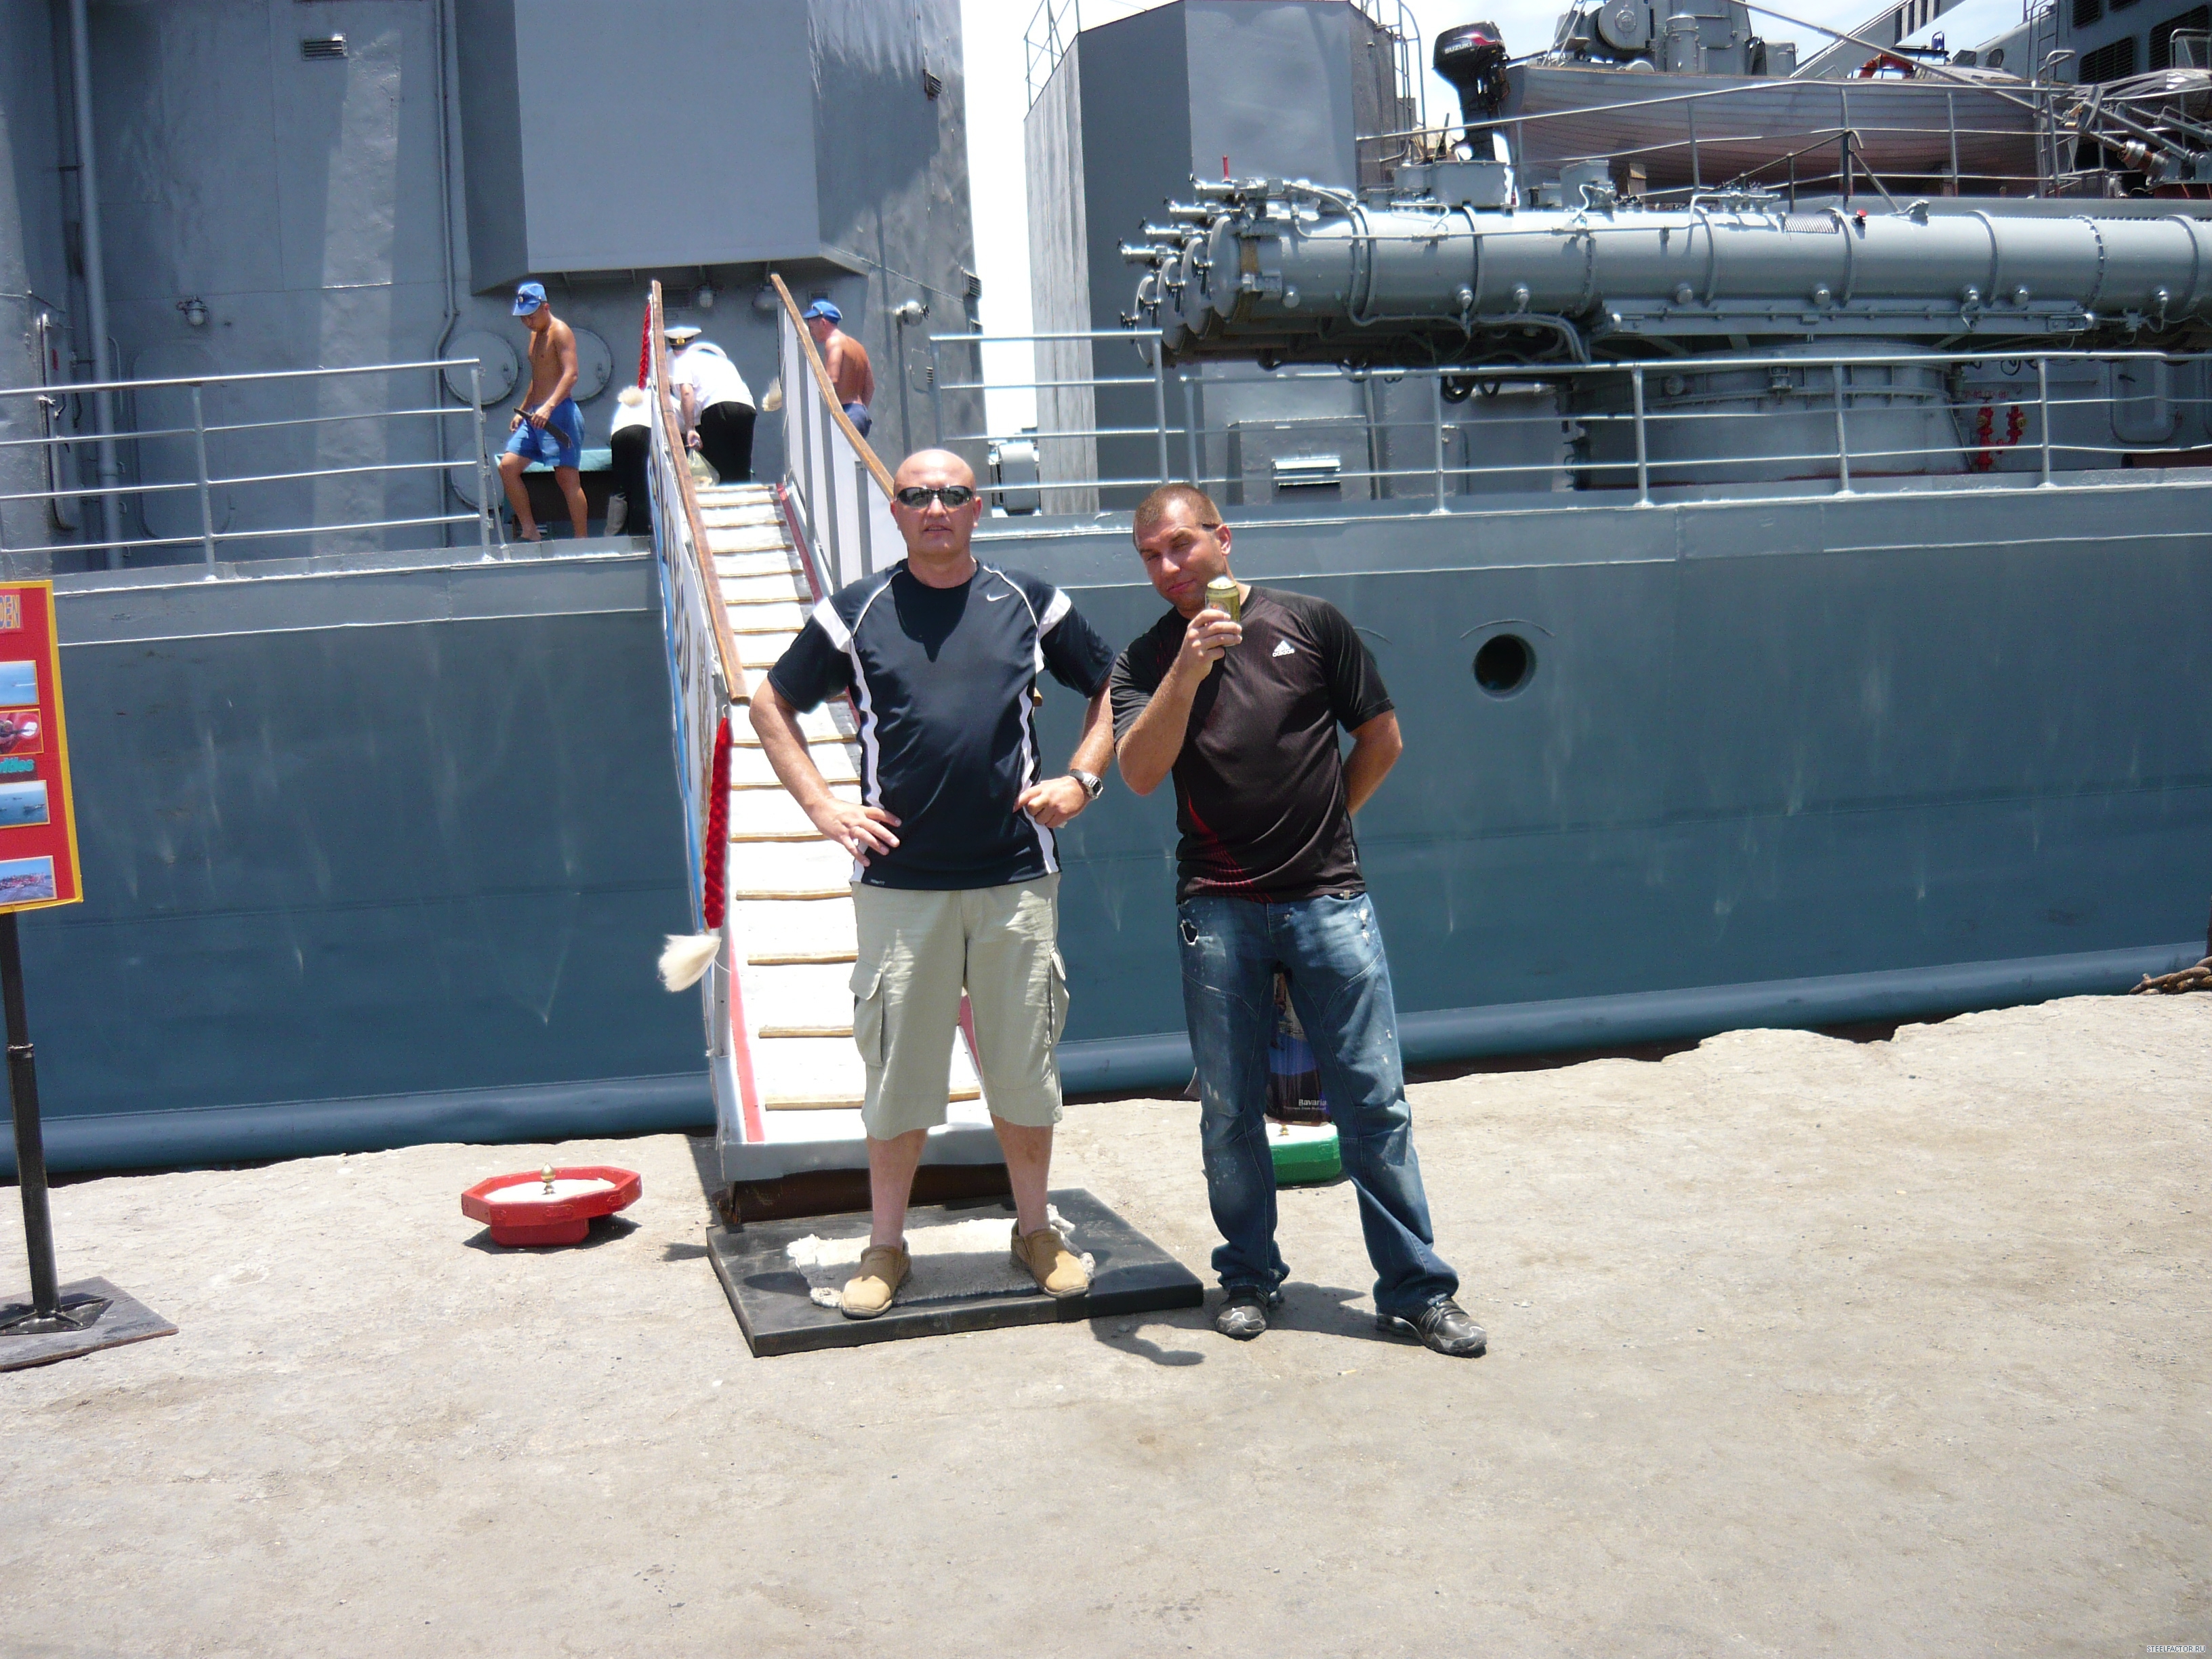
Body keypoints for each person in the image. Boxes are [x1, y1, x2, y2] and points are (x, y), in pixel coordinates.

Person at [1109, 483, 1486, 1359]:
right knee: (1229, 1111)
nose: (1168, 567)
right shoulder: (1147, 660)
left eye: (1181, 545)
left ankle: (1417, 1292)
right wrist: (1188, 669)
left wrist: (1328, 828)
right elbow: (1138, 771)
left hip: (1328, 899)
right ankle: (1247, 1277)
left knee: (1374, 1103)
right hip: (1217, 906)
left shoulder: (1311, 623)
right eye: (1150, 556)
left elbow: (1382, 738)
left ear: (1222, 538)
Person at [752, 449, 1116, 1319]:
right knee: (898, 1075)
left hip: (1015, 878)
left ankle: (1035, 1231)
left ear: (977, 507)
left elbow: (1116, 683)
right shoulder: (854, 612)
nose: (936, 508)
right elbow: (771, 705)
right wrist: (824, 807)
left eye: (952, 494)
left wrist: (1082, 779)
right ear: (896, 511)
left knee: (1023, 1069)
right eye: (917, 495)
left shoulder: (1030, 600)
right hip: (900, 885)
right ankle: (886, 1247)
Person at [497, 281, 588, 541]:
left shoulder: (560, 332)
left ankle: (582, 540)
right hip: (535, 415)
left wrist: (548, 407)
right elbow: (538, 379)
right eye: (523, 317)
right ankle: (530, 530)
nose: (527, 321)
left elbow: (571, 375)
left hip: (559, 414)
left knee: (567, 479)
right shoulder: (535, 335)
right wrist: (524, 410)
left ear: (545, 307)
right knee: (507, 467)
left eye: (531, 315)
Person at [667, 324, 756, 485]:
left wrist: (690, 429)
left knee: (717, 467)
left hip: (717, 409)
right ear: (693, 342)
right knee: (741, 465)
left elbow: (687, 393)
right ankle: (744, 495)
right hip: (746, 407)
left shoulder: (682, 361)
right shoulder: (722, 362)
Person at [802, 300, 875, 436]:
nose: (812, 333)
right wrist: (859, 410)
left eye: (812, 328)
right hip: (861, 414)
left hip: (847, 413)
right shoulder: (859, 347)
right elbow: (870, 387)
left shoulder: (834, 342)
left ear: (823, 323)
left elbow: (831, 380)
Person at [605, 384, 652, 538]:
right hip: (642, 431)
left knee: (620, 488)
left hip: (618, 434)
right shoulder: (662, 397)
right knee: (641, 484)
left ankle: (612, 535)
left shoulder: (632, 398)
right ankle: (640, 533)